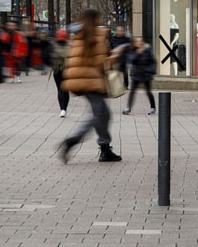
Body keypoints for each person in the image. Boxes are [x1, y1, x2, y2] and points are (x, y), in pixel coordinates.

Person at [58, 9, 121, 163]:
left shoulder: (77, 35)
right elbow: (101, 63)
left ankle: (105, 149)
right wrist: (115, 56)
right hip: (90, 80)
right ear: (95, 19)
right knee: (101, 115)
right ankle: (72, 141)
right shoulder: (96, 35)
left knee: (102, 114)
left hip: (79, 80)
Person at [122, 36, 156, 115]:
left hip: (146, 74)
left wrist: (151, 71)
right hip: (136, 75)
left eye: (140, 41)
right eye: (137, 41)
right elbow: (131, 60)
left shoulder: (148, 50)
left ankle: (153, 107)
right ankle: (128, 108)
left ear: (143, 42)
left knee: (148, 92)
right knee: (132, 92)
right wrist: (138, 53)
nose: (139, 43)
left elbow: (153, 61)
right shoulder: (133, 50)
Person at [51, 28, 70, 117]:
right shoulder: (70, 46)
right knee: (65, 90)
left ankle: (62, 109)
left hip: (57, 70)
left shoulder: (53, 46)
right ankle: (64, 108)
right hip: (67, 71)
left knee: (60, 89)